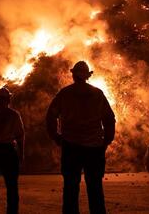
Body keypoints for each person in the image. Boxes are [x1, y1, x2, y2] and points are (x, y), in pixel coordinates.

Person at [46, 61, 116, 214]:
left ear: (73, 75)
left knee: (71, 189)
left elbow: (50, 116)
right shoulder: (97, 93)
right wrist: (106, 141)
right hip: (94, 149)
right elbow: (109, 118)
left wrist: (57, 137)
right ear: (87, 76)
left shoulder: (65, 94)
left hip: (71, 147)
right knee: (95, 189)